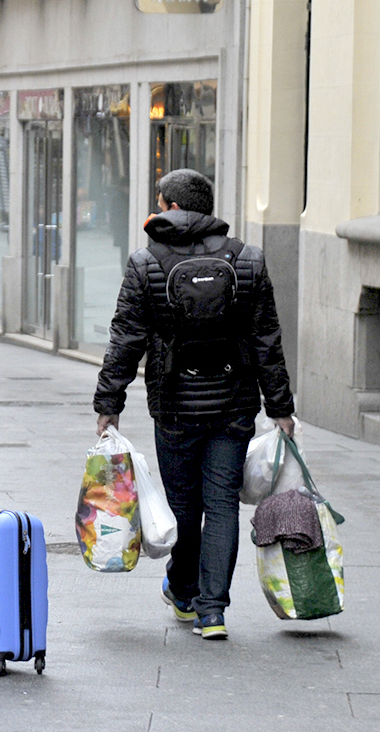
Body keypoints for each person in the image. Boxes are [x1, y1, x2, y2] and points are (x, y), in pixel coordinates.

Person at [93, 168, 294, 641]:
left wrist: (109, 401)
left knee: (184, 503)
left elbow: (127, 337)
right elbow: (266, 339)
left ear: (171, 207)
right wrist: (280, 405)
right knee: (222, 502)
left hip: (175, 405)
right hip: (233, 404)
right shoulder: (248, 259)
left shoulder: (146, 263)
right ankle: (213, 612)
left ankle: (183, 593)